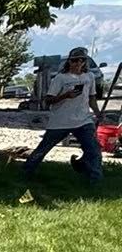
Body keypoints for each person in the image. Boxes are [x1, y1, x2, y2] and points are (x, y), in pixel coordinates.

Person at [24, 46, 103, 183]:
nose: (78, 63)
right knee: (43, 149)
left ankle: (95, 180)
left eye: (81, 60)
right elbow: (48, 99)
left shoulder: (89, 77)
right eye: (74, 60)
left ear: (85, 62)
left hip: (84, 120)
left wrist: (97, 112)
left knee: (94, 150)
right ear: (69, 62)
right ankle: (25, 173)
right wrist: (65, 96)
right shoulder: (60, 78)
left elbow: (92, 98)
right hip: (61, 121)